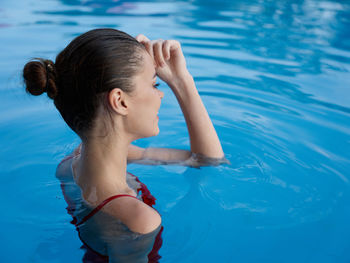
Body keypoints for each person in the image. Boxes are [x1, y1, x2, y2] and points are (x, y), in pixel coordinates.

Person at [22, 28, 227, 263]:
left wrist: (180, 80)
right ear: (120, 101)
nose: (160, 96)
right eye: (155, 85)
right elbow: (210, 162)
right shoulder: (137, 221)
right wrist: (183, 82)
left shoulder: (70, 166)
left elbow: (207, 159)